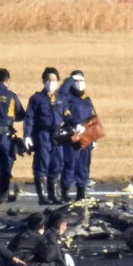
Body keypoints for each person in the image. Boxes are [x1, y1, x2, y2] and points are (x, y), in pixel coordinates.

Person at [24, 68, 64, 205]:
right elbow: (29, 117)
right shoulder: (36, 98)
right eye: (47, 79)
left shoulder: (62, 98)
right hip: (43, 135)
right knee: (42, 164)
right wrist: (27, 135)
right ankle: (43, 196)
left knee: (56, 164)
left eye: (53, 79)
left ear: (58, 81)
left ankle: (55, 195)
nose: (50, 82)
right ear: (43, 81)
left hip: (58, 136)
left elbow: (68, 115)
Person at [56, 70, 98, 203]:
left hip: (87, 135)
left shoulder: (87, 99)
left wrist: (94, 137)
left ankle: (81, 191)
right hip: (72, 135)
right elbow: (63, 108)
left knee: (84, 165)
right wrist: (74, 124)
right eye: (77, 81)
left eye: (82, 80)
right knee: (70, 164)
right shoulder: (67, 98)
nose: (80, 84)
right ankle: (65, 191)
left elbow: (93, 117)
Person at [0, 68, 24, 205]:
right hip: (5, 137)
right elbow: (21, 115)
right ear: (7, 80)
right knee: (6, 165)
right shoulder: (11, 96)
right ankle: (3, 195)